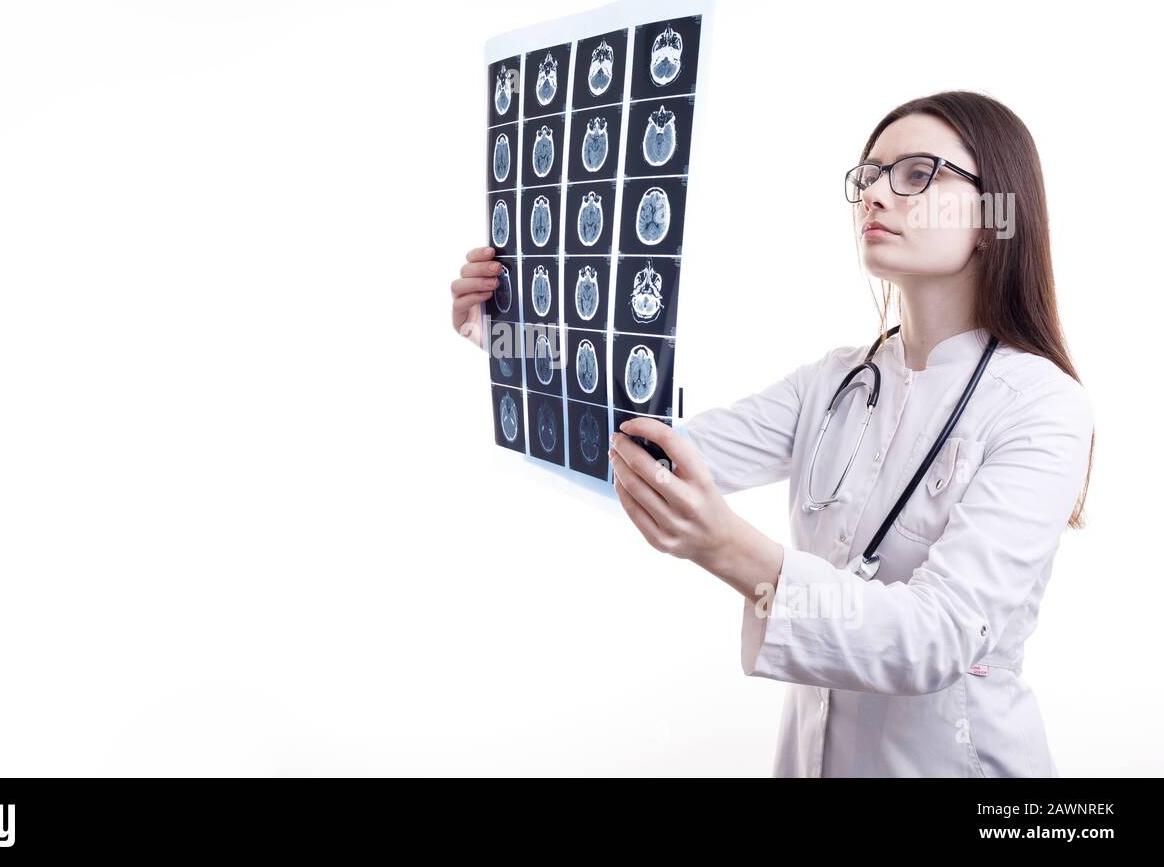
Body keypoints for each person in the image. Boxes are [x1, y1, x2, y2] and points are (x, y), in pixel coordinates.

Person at [449, 91, 1094, 777]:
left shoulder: (1043, 406)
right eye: (869, 175)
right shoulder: (833, 383)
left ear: (997, 213)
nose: (876, 193)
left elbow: (938, 638)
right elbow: (642, 448)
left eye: (916, 174)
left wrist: (729, 548)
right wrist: (515, 341)